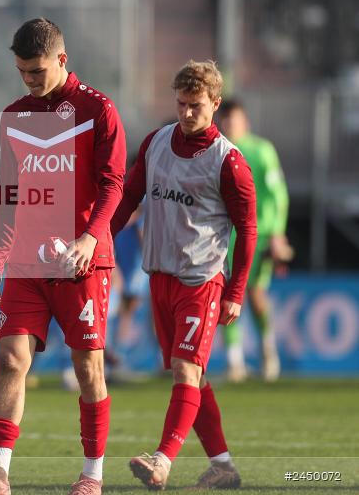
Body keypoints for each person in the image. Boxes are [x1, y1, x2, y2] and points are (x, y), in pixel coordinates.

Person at [0, 18, 126, 495]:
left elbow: (115, 184)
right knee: (11, 360)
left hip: (82, 264)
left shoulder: (98, 110)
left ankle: (92, 475)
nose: (29, 79)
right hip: (27, 264)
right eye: (22, 72)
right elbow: (9, 194)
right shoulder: (15, 115)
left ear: (61, 60)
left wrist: (91, 239)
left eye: (36, 70)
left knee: (88, 369)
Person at [110, 60, 257, 490]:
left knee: (185, 370)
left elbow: (248, 229)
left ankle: (162, 459)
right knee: (191, 374)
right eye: (180, 104)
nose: (187, 113)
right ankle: (223, 467)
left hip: (201, 279)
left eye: (196, 105)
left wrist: (236, 290)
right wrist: (99, 238)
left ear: (215, 103)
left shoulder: (228, 161)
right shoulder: (156, 142)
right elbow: (129, 195)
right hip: (159, 276)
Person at [217, 99, 292, 382]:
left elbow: (278, 195)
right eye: (225, 121)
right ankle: (235, 362)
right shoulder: (217, 150)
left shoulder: (261, 151)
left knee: (255, 295)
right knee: (226, 298)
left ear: (244, 122)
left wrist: (277, 232)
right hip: (226, 238)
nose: (229, 125)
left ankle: (268, 353)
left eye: (234, 120)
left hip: (258, 236)